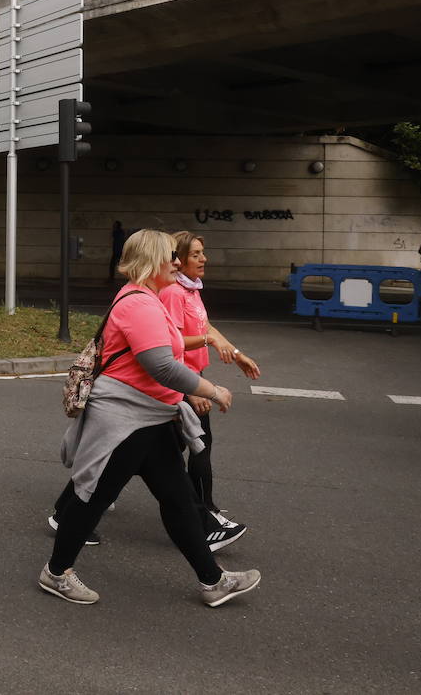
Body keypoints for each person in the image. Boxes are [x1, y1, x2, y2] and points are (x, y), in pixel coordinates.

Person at [41, 229, 260, 608]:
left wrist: (188, 390)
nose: (177, 262)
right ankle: (57, 573)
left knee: (177, 499)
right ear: (150, 262)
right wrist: (209, 390)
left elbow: (164, 360)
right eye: (170, 257)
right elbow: (159, 364)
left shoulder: (149, 298)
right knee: (92, 499)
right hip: (124, 419)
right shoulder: (138, 304)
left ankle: (213, 581)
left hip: (151, 415)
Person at [159, 231, 261, 551]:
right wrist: (191, 390)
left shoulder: (191, 290)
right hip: (181, 378)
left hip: (192, 376)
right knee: (199, 444)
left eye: (204, 253)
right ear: (180, 259)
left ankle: (78, 502)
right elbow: (173, 344)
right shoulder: (175, 293)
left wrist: (235, 352)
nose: (204, 259)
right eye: (196, 255)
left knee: (156, 451)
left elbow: (205, 326)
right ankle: (206, 516)